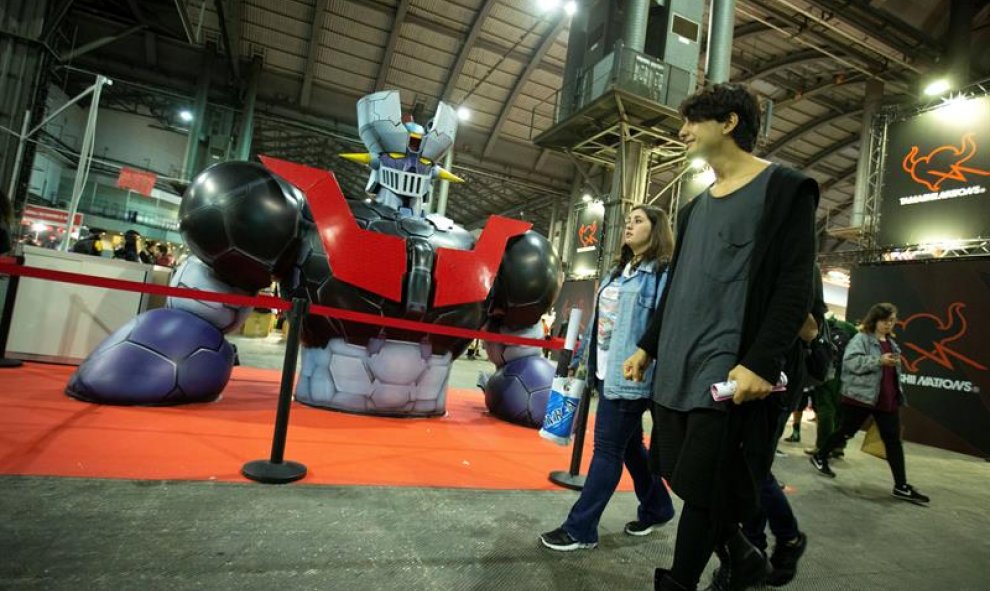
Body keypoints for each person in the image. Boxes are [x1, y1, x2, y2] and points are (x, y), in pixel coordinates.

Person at [624, 83, 819, 591]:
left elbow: (793, 286)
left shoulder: (785, 189)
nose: (683, 132)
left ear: (729, 123)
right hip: (676, 367)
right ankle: (741, 552)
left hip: (727, 371)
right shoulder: (692, 209)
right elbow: (677, 288)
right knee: (669, 469)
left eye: (692, 122)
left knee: (707, 491)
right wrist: (648, 345)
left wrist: (760, 360)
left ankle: (679, 582)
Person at [540, 205, 676, 552]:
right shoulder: (618, 271)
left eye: (638, 221)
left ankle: (581, 528)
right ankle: (658, 505)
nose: (628, 225)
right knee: (629, 446)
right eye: (628, 220)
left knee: (607, 450)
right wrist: (580, 362)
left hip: (632, 376)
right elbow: (601, 321)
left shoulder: (662, 273)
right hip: (602, 370)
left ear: (656, 229)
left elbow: (664, 327)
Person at [810, 302, 930, 504]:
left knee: (893, 442)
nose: (889, 324)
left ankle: (901, 485)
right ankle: (820, 455)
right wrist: (878, 361)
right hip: (861, 399)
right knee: (846, 431)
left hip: (886, 400)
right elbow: (850, 363)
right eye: (885, 320)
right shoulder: (861, 339)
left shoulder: (891, 342)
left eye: (892, 320)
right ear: (875, 320)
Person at [805, 313, 857, 458]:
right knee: (840, 411)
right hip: (846, 375)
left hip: (827, 372)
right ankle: (839, 446)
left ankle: (822, 447)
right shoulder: (850, 328)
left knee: (825, 410)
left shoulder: (820, 325)